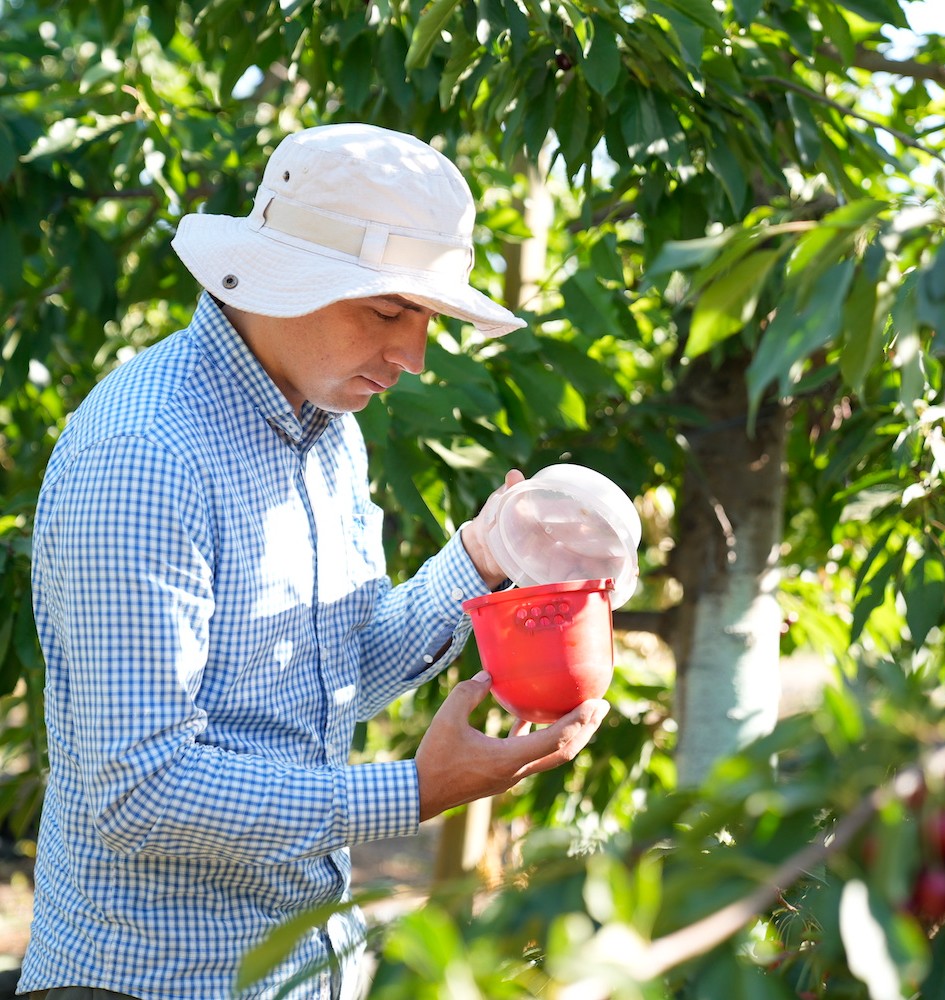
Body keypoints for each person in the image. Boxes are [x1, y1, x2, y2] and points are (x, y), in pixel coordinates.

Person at [18, 123, 610, 1000]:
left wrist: (481, 557)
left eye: (427, 321)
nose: (411, 358)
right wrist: (413, 791)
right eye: (386, 312)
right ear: (286, 275)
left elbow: (330, 676)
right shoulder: (147, 454)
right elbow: (138, 791)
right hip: (151, 980)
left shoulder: (329, 434)